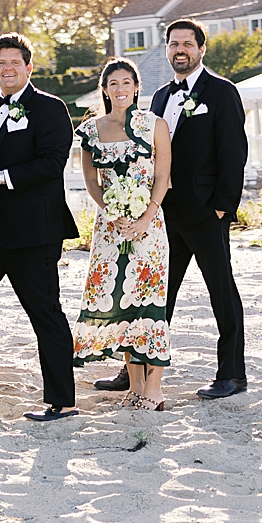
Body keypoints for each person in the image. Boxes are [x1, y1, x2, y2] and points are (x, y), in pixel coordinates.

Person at [0, 32, 81, 423]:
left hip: (34, 235)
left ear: (28, 67)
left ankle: (62, 401)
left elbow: (52, 164)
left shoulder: (50, 108)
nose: (7, 69)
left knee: (45, 315)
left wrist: (0, 176)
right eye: (0, 63)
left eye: (14, 63)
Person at [146, 19, 249, 401]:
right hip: (163, 213)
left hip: (206, 212)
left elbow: (234, 152)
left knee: (221, 293)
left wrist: (223, 206)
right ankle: (139, 371)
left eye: (188, 43)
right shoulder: (159, 97)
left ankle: (232, 375)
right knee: (158, 294)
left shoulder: (221, 92)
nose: (180, 50)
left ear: (201, 49)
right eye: (174, 44)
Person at [76, 59, 173, 409]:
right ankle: (134, 386)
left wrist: (146, 216)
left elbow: (162, 177)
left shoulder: (155, 125)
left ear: (136, 87)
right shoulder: (90, 129)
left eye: (126, 82)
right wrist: (110, 210)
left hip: (149, 225)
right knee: (119, 301)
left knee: (149, 301)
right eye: (113, 83)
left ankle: (155, 389)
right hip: (109, 227)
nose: (120, 89)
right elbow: (90, 179)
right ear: (105, 88)